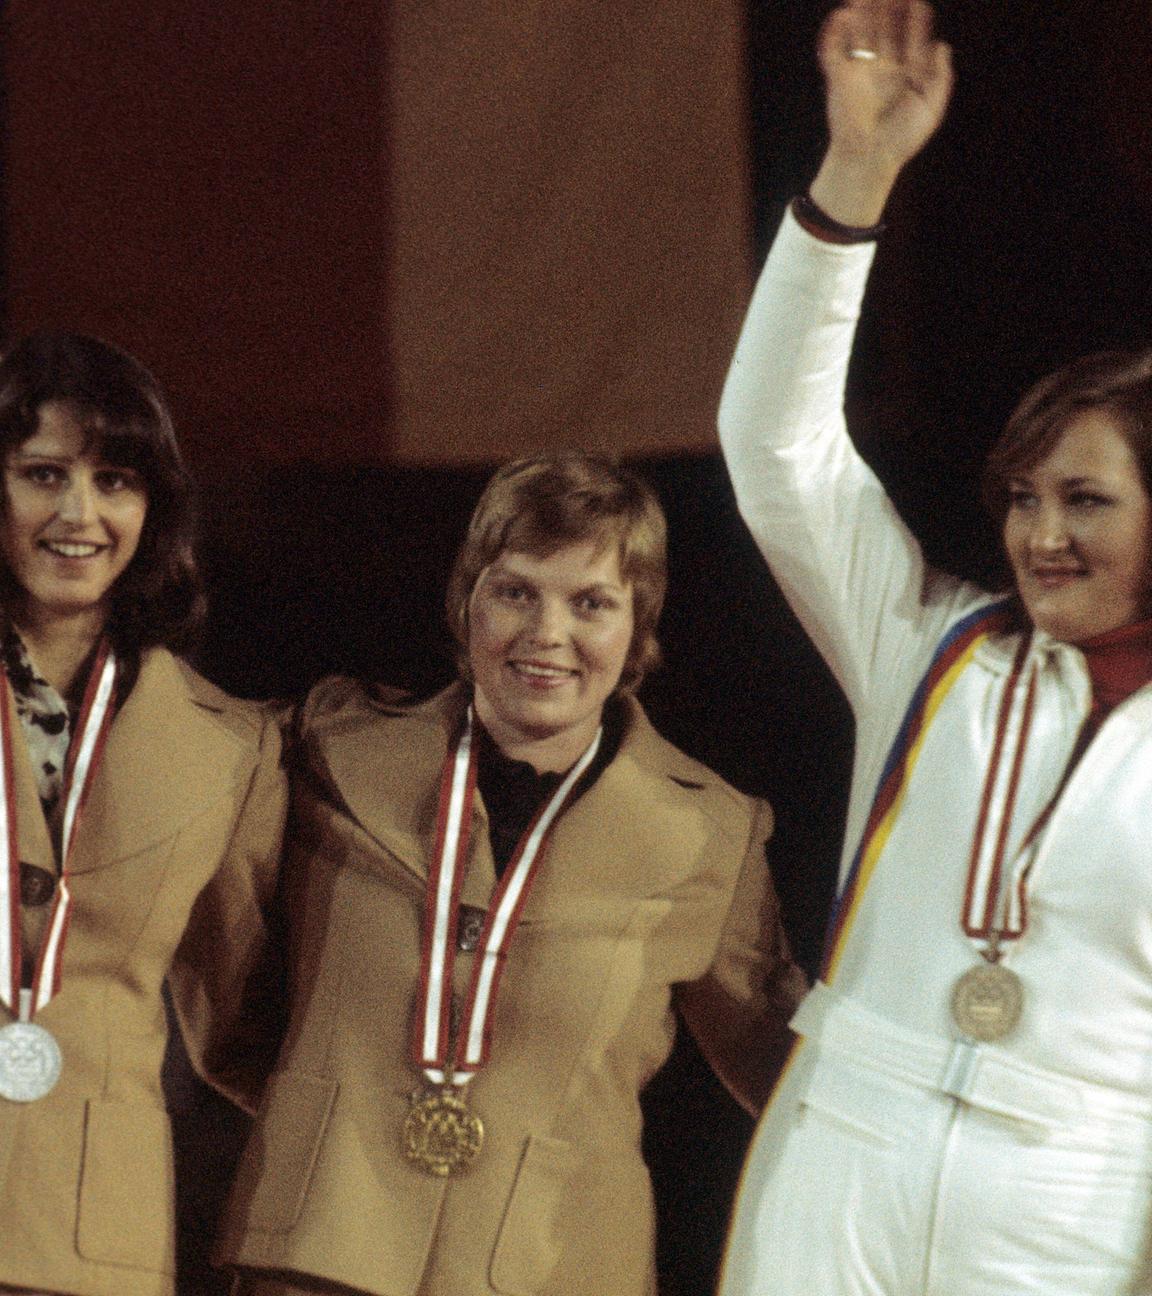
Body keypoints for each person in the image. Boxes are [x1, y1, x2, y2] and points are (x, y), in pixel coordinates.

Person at [716, 2, 1152, 1293]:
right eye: (1023, 498)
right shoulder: (938, 648)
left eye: (1086, 501)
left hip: (1082, 1181)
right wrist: (855, 179)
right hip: (849, 1126)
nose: (1042, 536)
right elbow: (776, 451)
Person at [217, 452, 806, 1296]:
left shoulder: (708, 833)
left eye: (591, 603)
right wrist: (312, 1108)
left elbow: (781, 1066)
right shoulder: (328, 746)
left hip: (557, 1266)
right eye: (516, 591)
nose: (547, 634)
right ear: (467, 601)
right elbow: (214, 957)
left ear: (639, 626)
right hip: (319, 1252)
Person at [0, 333, 287, 1296]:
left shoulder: (232, 749)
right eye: (43, 474)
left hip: (100, 1241)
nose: (80, 515)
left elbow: (243, 1021)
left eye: (115, 481)